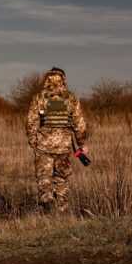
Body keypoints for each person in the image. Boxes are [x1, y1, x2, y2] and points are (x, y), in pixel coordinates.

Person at [26, 67, 88, 212]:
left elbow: (31, 123)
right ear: (63, 79)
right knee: (61, 179)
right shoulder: (71, 98)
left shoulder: (39, 98)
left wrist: (33, 142)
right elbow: (80, 124)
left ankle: (47, 209)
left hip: (43, 147)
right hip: (64, 147)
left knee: (44, 179)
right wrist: (81, 144)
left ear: (46, 79)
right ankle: (62, 211)